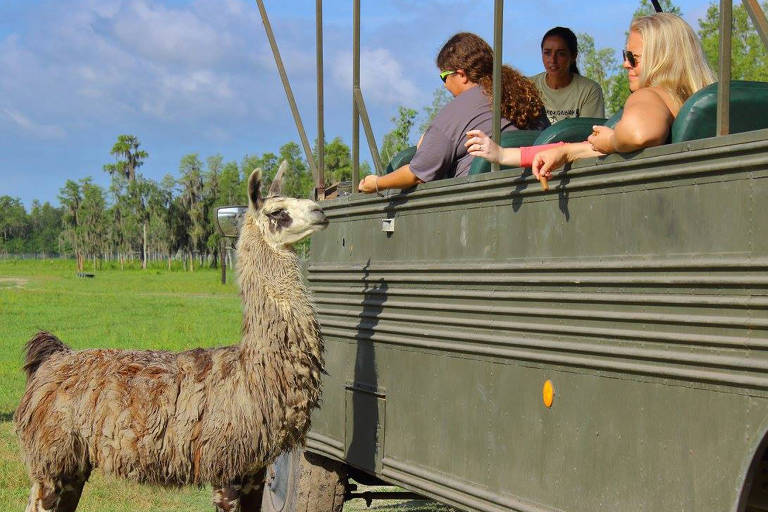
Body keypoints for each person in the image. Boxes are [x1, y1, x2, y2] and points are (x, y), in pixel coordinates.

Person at [466, 13, 715, 186]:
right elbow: (593, 148)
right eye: (625, 54)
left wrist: (612, 139)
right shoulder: (698, 100)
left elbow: (637, 134)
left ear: (662, 60)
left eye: (633, 57)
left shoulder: (649, 95)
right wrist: (505, 154)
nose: (625, 63)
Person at [358, 32, 549, 194]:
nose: (445, 85)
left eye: (444, 77)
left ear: (461, 75)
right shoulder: (526, 97)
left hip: (474, 205)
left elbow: (417, 173)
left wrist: (376, 183)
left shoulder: (456, 112)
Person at [531, 27, 605, 124]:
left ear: (573, 56)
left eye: (561, 54)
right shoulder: (528, 87)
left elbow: (590, 132)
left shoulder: (589, 90)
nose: (553, 60)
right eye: (547, 53)